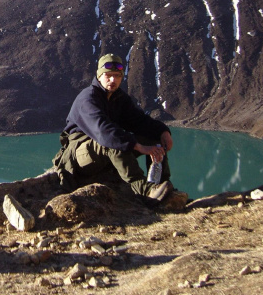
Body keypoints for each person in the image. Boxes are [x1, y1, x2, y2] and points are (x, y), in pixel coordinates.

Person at [53, 53, 174, 201]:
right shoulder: (88, 98)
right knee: (113, 142)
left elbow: (139, 121)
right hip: (77, 155)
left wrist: (162, 131)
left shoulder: (119, 98)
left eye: (117, 76)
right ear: (99, 76)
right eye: (108, 75)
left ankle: (161, 186)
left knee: (153, 138)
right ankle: (144, 190)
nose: (113, 80)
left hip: (99, 152)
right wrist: (137, 146)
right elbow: (103, 132)